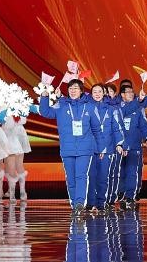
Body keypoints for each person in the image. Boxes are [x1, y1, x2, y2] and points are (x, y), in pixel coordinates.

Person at [38, 79, 102, 216]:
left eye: (76, 88)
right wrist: (44, 96)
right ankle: (74, 204)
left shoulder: (89, 107)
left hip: (85, 148)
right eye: (71, 88)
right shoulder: (61, 105)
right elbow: (45, 112)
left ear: (81, 91)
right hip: (67, 148)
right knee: (71, 178)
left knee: (81, 176)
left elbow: (97, 129)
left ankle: (80, 203)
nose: (73, 91)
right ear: (67, 91)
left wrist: (100, 148)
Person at [87, 83, 125, 213]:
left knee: (103, 178)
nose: (97, 94)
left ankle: (101, 203)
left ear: (104, 93)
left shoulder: (112, 109)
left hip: (107, 148)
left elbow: (117, 128)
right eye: (94, 92)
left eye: (99, 91)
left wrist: (119, 144)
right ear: (91, 94)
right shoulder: (88, 108)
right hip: (91, 148)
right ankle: (90, 203)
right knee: (91, 177)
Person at [117, 85, 147, 209]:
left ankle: (130, 196)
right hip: (119, 147)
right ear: (122, 95)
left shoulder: (138, 108)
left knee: (132, 172)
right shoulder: (117, 108)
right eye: (128, 92)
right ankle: (120, 192)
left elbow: (144, 125)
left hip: (134, 146)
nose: (131, 94)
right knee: (120, 172)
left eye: (132, 92)